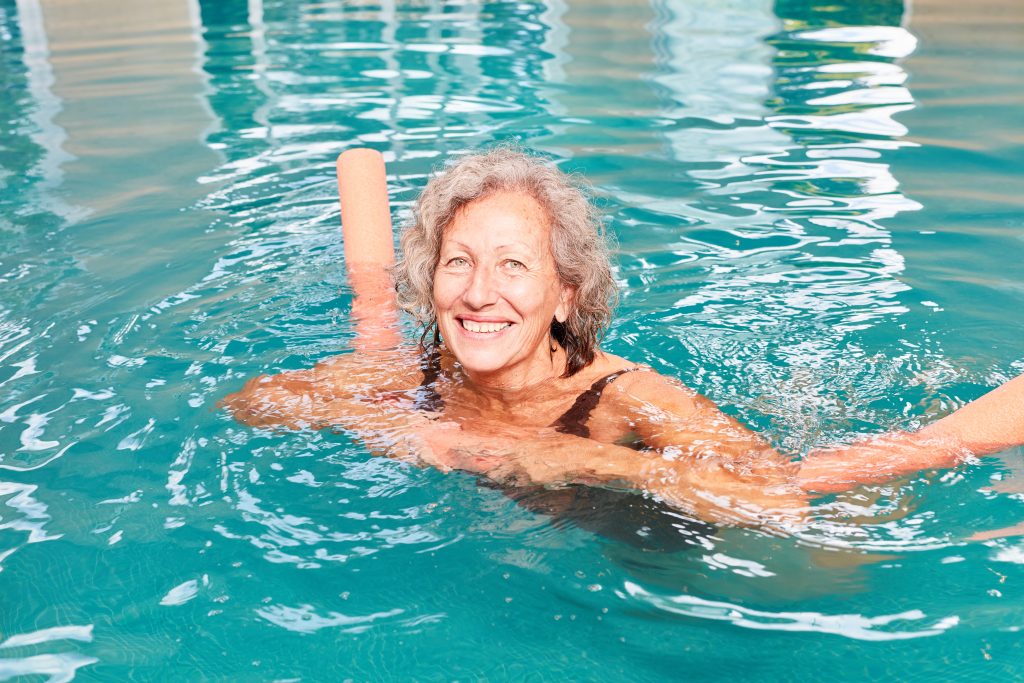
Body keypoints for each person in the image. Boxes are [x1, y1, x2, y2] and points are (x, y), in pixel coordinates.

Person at [222, 147, 1024, 529]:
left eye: (512, 266)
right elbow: (252, 405)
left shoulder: (623, 396)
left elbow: (774, 496)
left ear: (565, 293)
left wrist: (585, 460)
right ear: (430, 282)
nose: (477, 292)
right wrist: (391, 422)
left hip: (679, 563)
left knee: (829, 565)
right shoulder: (419, 371)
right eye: (457, 264)